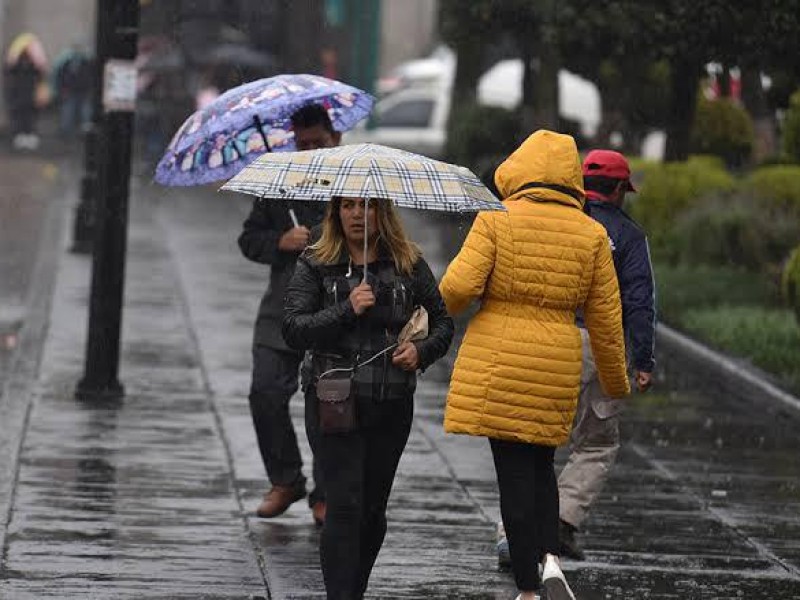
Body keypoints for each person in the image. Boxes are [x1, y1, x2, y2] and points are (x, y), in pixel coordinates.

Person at [439, 130, 630, 600]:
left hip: (498, 361)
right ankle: (550, 559)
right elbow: (607, 320)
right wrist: (615, 381)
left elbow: (457, 289)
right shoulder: (592, 234)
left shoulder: (496, 220)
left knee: (512, 474)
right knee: (542, 464)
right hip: (556, 362)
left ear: (518, 169)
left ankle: (527, 586)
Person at [283, 195, 453, 600]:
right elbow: (293, 329)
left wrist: (421, 351)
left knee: (373, 509)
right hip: (334, 400)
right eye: (348, 206)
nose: (357, 214)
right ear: (336, 212)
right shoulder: (315, 261)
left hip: (391, 402)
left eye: (368, 206)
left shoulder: (409, 263)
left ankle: (353, 591)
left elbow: (443, 322)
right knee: (343, 505)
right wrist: (347, 308)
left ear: (383, 213)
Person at [237, 104, 341, 525]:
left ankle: (327, 492)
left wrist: (320, 240)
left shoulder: (352, 182)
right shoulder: (278, 183)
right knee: (264, 392)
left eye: (318, 142)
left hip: (334, 311)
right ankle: (285, 479)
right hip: (281, 309)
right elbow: (249, 239)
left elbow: (375, 238)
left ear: (334, 138)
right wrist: (280, 240)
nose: (310, 149)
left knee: (329, 408)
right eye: (303, 144)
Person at [556, 149, 656, 559]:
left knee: (532, 439)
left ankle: (516, 530)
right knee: (595, 441)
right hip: (601, 344)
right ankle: (560, 523)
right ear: (619, 190)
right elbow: (639, 300)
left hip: (551, 340)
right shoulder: (629, 236)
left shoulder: (559, 221)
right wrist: (643, 360)